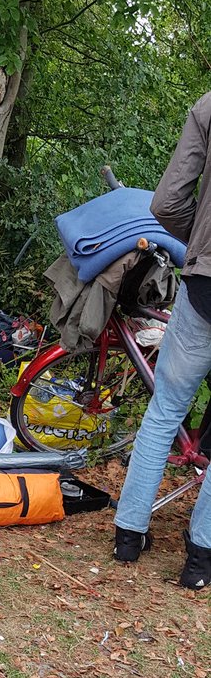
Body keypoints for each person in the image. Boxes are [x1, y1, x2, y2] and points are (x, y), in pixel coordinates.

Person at [113, 90, 211, 588]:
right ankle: (199, 561)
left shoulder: (208, 106)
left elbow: (167, 201)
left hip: (205, 286)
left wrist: (200, 242)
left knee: (165, 409)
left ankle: (128, 535)